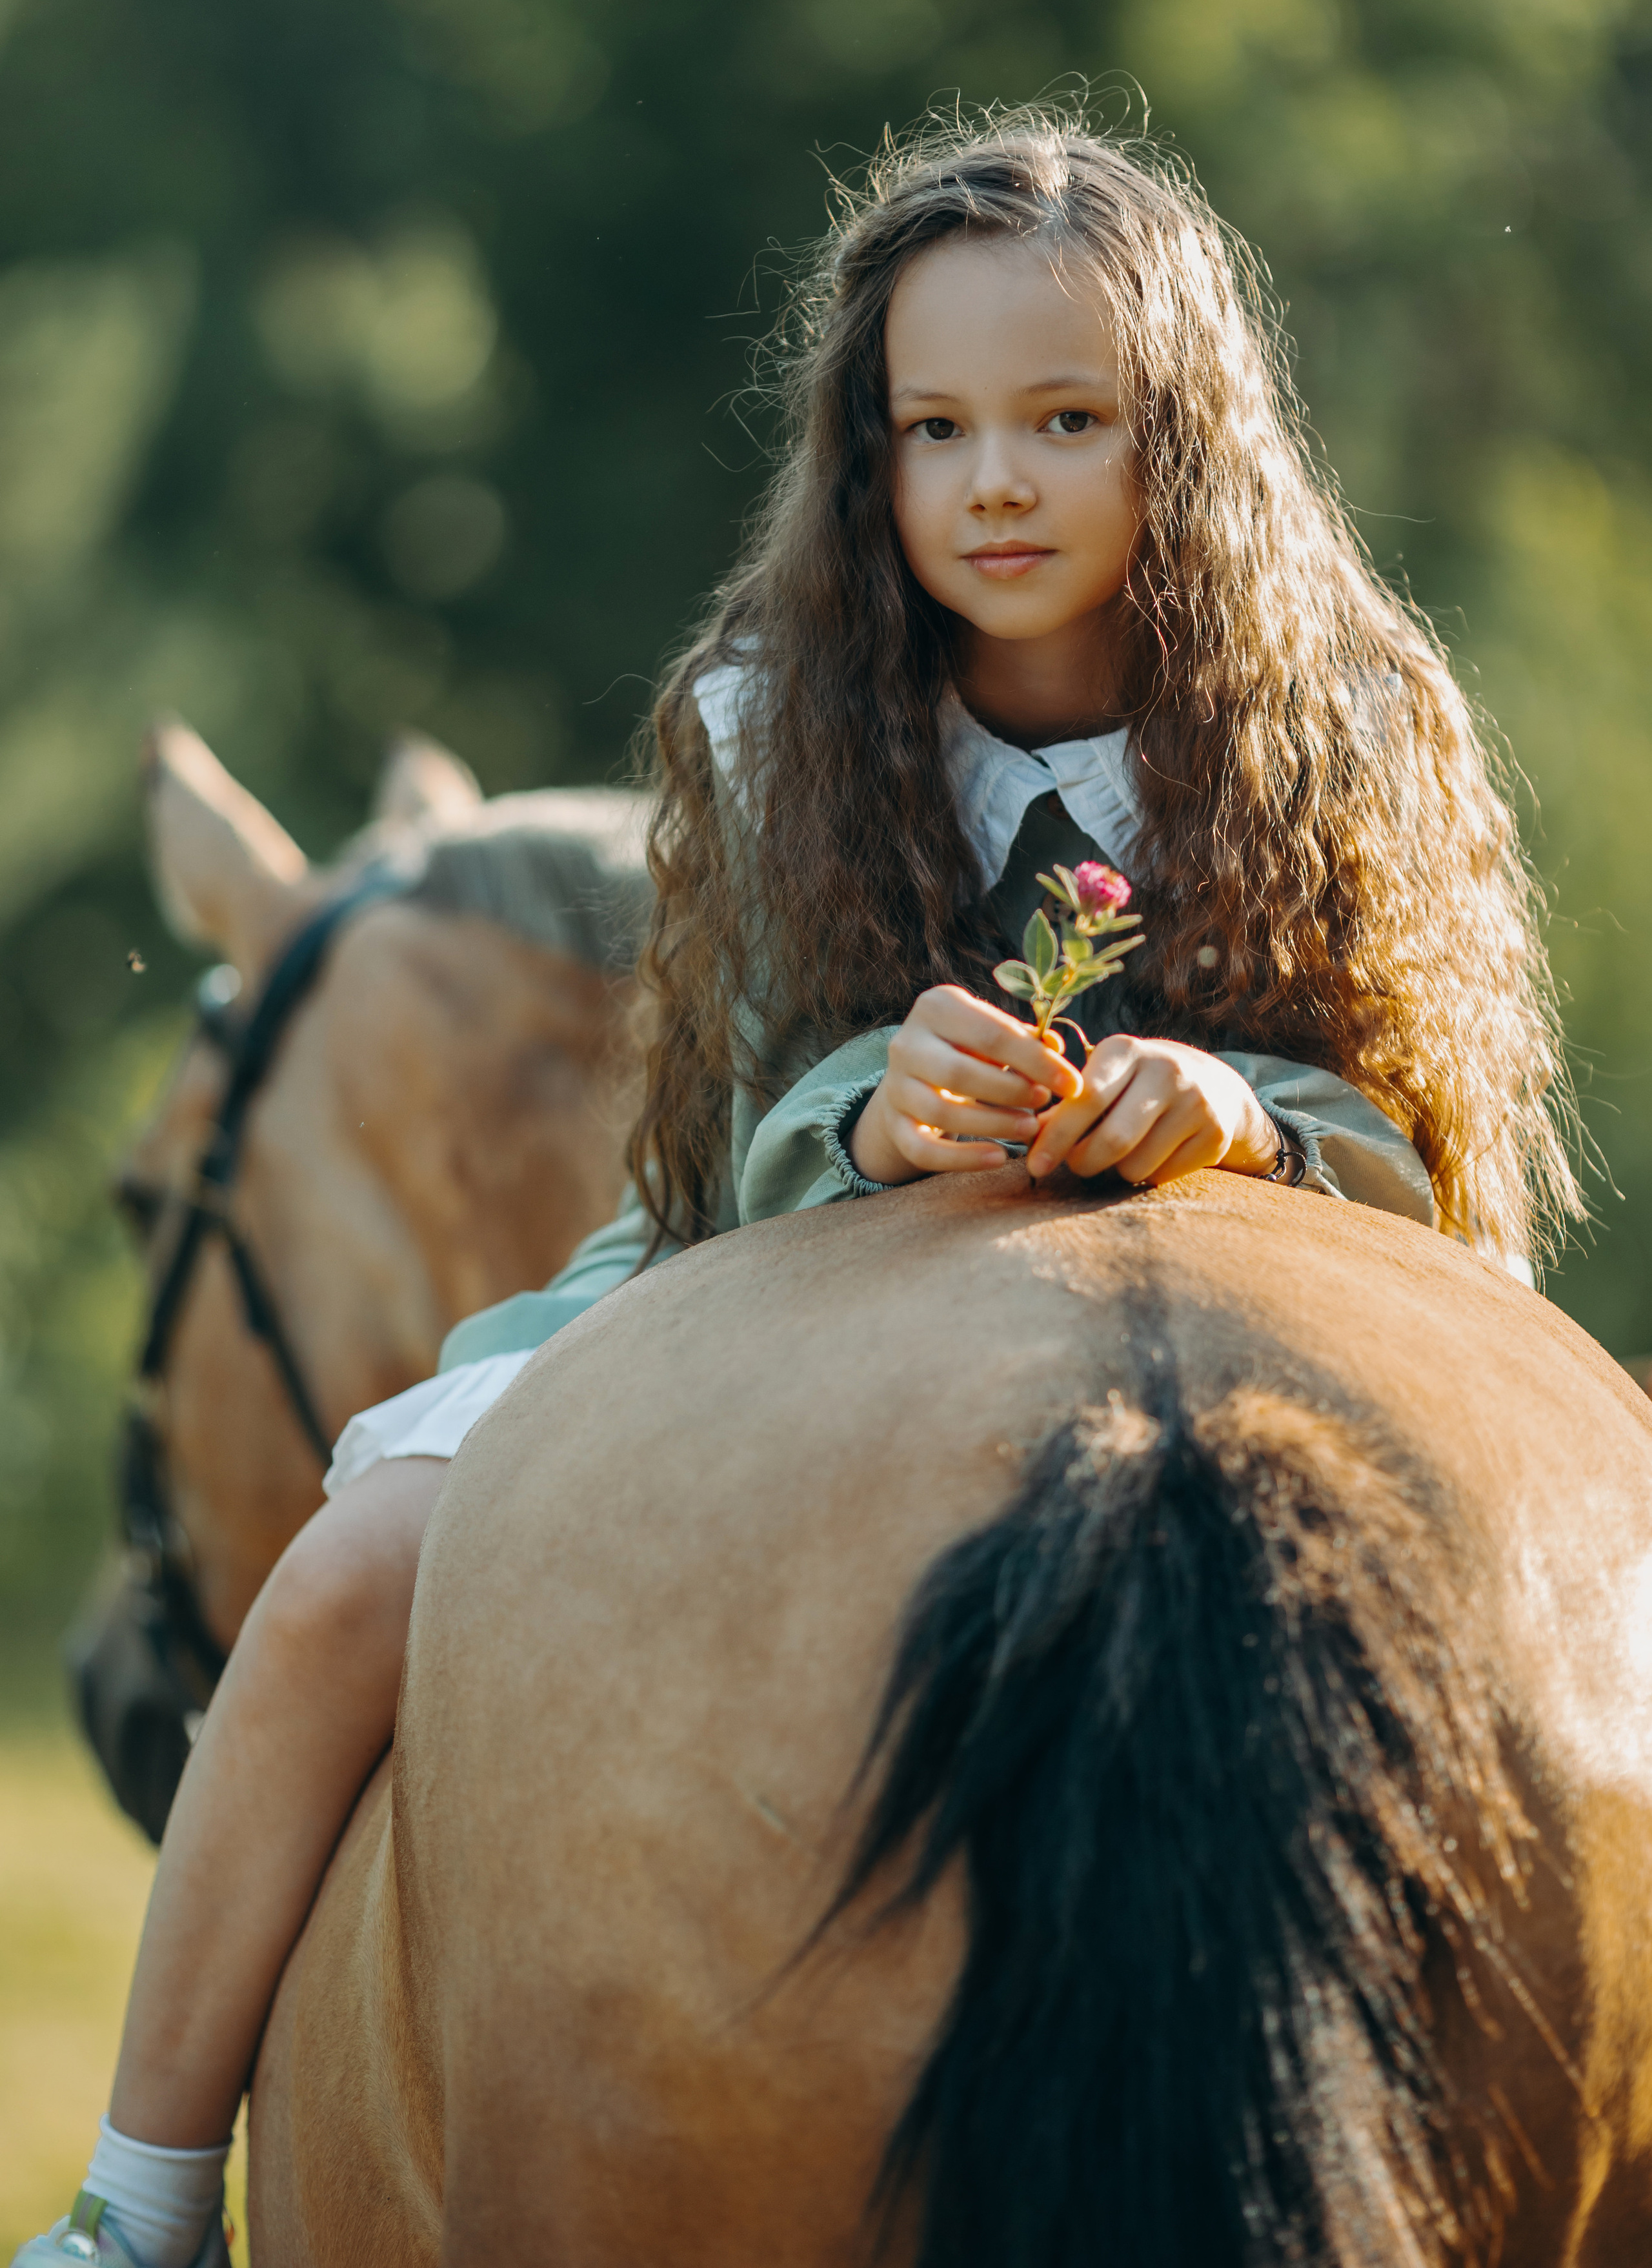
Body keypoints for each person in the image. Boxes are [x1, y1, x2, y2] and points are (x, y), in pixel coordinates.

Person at [18, 112, 1576, 2268]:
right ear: (870, 458)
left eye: (1065, 421)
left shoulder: (1345, 725)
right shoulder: (779, 719)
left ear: (1183, 438)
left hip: (1230, 1262)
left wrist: (1238, 1104)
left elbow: (1421, 1132)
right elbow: (731, 1106)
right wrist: (866, 1107)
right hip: (777, 1246)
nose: (996, 482)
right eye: (935, 430)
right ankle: (140, 2205)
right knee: (341, 1589)